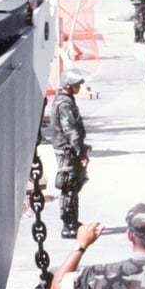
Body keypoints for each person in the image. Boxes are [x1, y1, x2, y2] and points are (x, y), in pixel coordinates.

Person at [52, 69, 91, 238]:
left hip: (68, 148)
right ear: (68, 85)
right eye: (77, 84)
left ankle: (73, 221)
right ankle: (68, 225)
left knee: (73, 185)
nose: (79, 87)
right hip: (67, 151)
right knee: (68, 185)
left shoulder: (65, 99)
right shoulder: (65, 103)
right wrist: (80, 152)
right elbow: (71, 130)